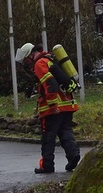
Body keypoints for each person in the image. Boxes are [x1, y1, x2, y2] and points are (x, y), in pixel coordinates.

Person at [16, 43, 81, 173]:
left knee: (48, 138)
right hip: (67, 104)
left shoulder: (39, 64)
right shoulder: (49, 60)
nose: (26, 63)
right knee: (65, 132)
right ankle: (73, 156)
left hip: (53, 109)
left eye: (26, 60)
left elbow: (50, 84)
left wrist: (52, 105)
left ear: (30, 55)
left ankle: (47, 165)